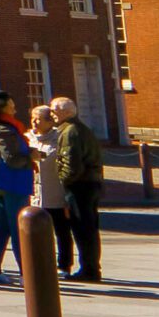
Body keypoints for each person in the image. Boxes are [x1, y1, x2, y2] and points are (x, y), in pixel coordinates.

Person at [0, 93, 34, 283]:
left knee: (2, 226)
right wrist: (32, 157)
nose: (15, 109)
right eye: (11, 106)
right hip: (13, 182)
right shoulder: (4, 129)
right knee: (20, 227)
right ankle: (25, 272)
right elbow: (11, 158)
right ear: (2, 108)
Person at [49, 96, 104, 282]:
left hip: (80, 186)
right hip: (90, 183)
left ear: (64, 112)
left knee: (83, 228)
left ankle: (89, 269)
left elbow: (72, 165)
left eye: (54, 110)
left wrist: (63, 183)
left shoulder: (70, 131)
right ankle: (90, 266)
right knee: (89, 227)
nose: (52, 114)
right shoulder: (80, 128)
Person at [29, 104, 75, 274]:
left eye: (38, 119)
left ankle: (64, 264)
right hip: (35, 195)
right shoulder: (28, 138)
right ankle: (40, 263)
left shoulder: (59, 138)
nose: (34, 122)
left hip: (55, 193)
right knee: (36, 233)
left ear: (49, 121)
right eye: (32, 118)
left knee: (61, 231)